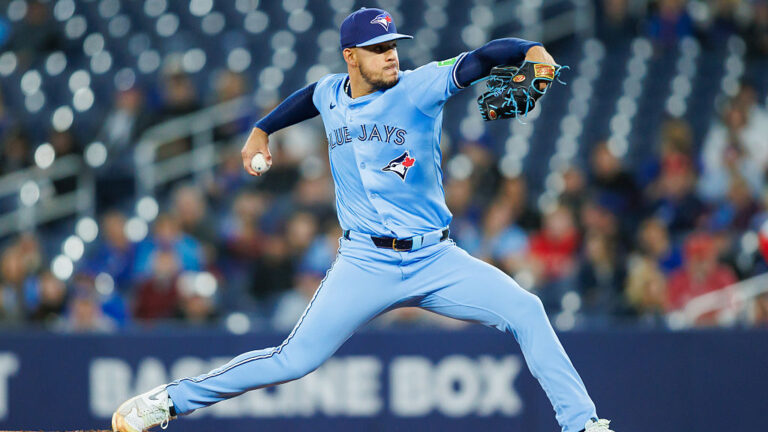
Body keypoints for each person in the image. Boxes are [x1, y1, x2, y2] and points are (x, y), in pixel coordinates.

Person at [112, 8, 613, 432]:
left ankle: (582, 423)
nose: (391, 54)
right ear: (351, 56)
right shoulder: (332, 92)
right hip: (364, 260)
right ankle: (169, 402)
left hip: (436, 256)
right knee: (293, 360)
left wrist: (530, 50)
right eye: (377, 48)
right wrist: (262, 129)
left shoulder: (420, 86)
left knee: (526, 310)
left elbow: (482, 58)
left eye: (393, 44)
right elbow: (309, 96)